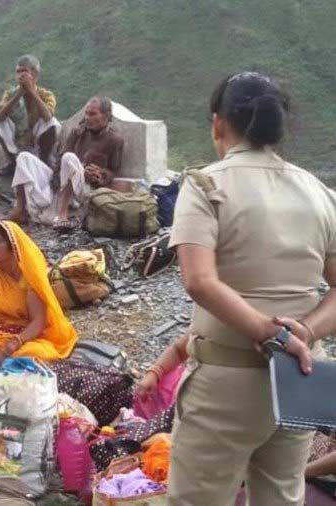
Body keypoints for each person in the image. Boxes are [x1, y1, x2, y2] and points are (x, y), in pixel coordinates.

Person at [167, 72, 336, 506]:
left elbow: (200, 280)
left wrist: (269, 332)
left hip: (227, 380)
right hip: (300, 378)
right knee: (281, 496)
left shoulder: (206, 184)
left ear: (218, 124)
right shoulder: (320, 194)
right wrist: (306, 333)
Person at [6, 96, 124, 227]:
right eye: (86, 113)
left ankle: (62, 214)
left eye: (92, 114)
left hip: (84, 187)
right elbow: (60, 159)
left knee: (69, 158)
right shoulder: (78, 132)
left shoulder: (114, 140)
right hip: (62, 182)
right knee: (24, 157)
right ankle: (20, 209)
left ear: (106, 116)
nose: (87, 118)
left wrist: (100, 174)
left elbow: (113, 171)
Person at [0, 220, 78, 364]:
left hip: (25, 336)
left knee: (34, 352)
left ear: (13, 246)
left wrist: (10, 346)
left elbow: (38, 321)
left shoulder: (29, 278)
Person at [0, 55, 59, 176]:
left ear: (35, 75)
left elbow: (48, 117)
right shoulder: (10, 93)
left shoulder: (46, 95)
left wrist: (31, 91)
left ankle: (45, 158)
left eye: (24, 71)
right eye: (18, 71)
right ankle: (12, 162)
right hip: (18, 140)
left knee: (52, 122)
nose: (21, 75)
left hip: (36, 140)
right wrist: (19, 94)